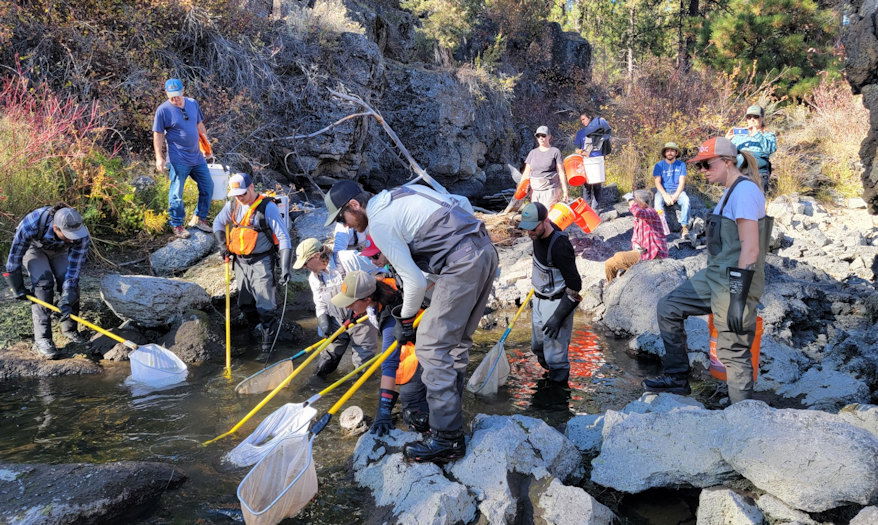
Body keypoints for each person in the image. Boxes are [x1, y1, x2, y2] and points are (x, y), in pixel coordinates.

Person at [325, 179, 498, 463]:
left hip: (461, 264)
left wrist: (406, 321)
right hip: (484, 251)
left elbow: (415, 282)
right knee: (456, 344)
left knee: (430, 347)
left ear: (354, 205)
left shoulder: (379, 222)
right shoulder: (403, 192)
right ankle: (447, 423)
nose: (345, 225)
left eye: (342, 217)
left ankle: (447, 439)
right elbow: (462, 204)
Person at [643, 137, 772, 403]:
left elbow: (750, 251)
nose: (702, 171)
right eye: (699, 166)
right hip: (714, 275)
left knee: (733, 350)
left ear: (727, 162)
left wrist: (738, 300)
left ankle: (743, 416)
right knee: (669, 307)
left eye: (706, 164)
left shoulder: (746, 192)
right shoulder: (728, 189)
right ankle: (677, 378)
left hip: (735, 281)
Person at [330, 270, 430, 435]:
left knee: (413, 409)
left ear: (367, 299)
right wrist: (351, 316)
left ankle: (429, 437)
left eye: (350, 303)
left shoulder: (390, 321)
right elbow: (359, 301)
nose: (347, 306)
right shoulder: (376, 284)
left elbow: (389, 364)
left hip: (420, 347)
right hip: (410, 339)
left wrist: (383, 411)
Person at [212, 174, 291, 360]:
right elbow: (218, 223)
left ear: (252, 187)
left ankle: (267, 348)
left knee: (265, 305)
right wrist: (222, 245)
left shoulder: (267, 208)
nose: (240, 197)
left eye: (243, 193)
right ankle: (257, 332)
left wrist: (285, 267)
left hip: (262, 261)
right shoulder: (232, 205)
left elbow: (284, 237)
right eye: (236, 194)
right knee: (245, 304)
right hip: (240, 261)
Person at [4, 205, 91, 359]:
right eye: (68, 234)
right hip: (34, 248)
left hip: (60, 251)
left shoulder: (80, 234)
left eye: (75, 234)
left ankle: (69, 329)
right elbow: (14, 258)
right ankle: (43, 339)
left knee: (68, 282)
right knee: (44, 283)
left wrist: (67, 297)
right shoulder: (31, 224)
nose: (73, 238)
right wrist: (16, 286)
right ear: (55, 227)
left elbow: (73, 270)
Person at [293, 238, 378, 378]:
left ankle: (364, 390)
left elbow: (377, 271)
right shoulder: (314, 278)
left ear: (316, 256)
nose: (304, 268)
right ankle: (317, 384)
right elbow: (320, 303)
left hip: (362, 319)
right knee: (325, 361)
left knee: (363, 364)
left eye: (305, 263)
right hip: (336, 321)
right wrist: (323, 322)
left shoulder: (347, 258)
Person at [516, 202, 582, 384]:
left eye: (533, 228)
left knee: (556, 358)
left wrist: (558, 317)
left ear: (545, 221)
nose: (529, 233)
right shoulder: (538, 233)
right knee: (537, 347)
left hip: (556, 303)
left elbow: (576, 285)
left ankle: (556, 402)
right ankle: (548, 378)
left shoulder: (560, 246)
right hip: (538, 300)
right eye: (526, 229)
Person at [153, 78, 214, 239]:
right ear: (166, 94)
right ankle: (177, 224)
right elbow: (158, 135)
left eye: (177, 95)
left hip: (197, 157)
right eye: (171, 96)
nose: (175, 99)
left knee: (208, 186)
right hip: (178, 159)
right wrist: (159, 158)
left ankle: (200, 219)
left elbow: (199, 126)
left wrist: (206, 147)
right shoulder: (163, 110)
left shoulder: (192, 103)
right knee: (176, 194)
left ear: (183, 91)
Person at [604, 190, 669, 283]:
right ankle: (611, 285)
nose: (633, 204)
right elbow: (635, 236)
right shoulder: (638, 218)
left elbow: (637, 212)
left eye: (635, 201)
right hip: (642, 252)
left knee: (617, 258)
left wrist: (630, 199)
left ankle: (613, 283)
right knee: (609, 264)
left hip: (654, 254)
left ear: (641, 202)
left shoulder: (652, 212)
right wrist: (636, 245)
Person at [725, 104, 777, 193]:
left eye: (756, 117)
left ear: (762, 118)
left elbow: (769, 149)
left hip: (758, 173)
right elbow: (725, 155)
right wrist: (726, 140)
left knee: (756, 202)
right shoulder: (738, 136)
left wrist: (756, 134)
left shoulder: (768, 135)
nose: (752, 119)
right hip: (739, 173)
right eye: (749, 117)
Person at [521, 126, 568, 209]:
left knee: (548, 217)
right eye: (538, 136)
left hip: (550, 191)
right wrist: (521, 188)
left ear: (549, 136)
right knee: (537, 217)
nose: (541, 138)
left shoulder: (555, 151)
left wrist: (565, 191)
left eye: (543, 135)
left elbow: (561, 172)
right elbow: (526, 172)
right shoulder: (532, 152)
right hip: (535, 191)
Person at [574, 111, 612, 210]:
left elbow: (605, 142)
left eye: (584, 119)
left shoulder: (599, 131)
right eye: (581, 120)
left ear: (589, 117)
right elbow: (577, 148)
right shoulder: (580, 133)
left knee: (597, 185)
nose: (582, 122)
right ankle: (587, 209)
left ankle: (596, 209)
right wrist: (580, 152)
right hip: (586, 162)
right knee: (586, 186)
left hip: (597, 161)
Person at [652, 142, 691, 236]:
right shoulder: (659, 165)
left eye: (672, 150)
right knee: (657, 204)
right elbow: (657, 182)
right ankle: (662, 228)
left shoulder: (681, 165)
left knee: (686, 201)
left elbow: (682, 182)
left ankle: (684, 227)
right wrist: (665, 195)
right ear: (665, 153)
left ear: (676, 153)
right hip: (663, 191)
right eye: (668, 150)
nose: (670, 153)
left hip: (677, 191)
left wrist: (675, 196)